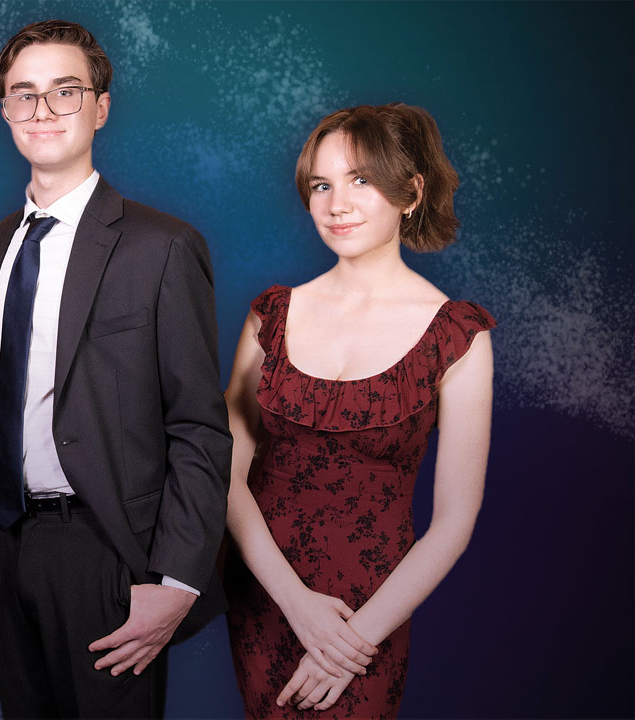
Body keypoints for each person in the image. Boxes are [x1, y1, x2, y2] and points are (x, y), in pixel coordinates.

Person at [0, 20, 232, 718]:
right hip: (2, 545)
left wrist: (178, 579)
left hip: (105, 548)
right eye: (24, 95)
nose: (42, 111)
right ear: (6, 112)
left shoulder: (161, 247)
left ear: (101, 107)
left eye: (64, 92)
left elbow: (199, 426)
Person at [222, 103, 496, 716]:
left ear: (411, 192)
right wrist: (295, 604)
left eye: (361, 180)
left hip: (370, 609)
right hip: (265, 591)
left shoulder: (457, 335)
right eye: (322, 184)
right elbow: (225, 472)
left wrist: (352, 640)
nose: (335, 204)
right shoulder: (272, 314)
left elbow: (454, 521)